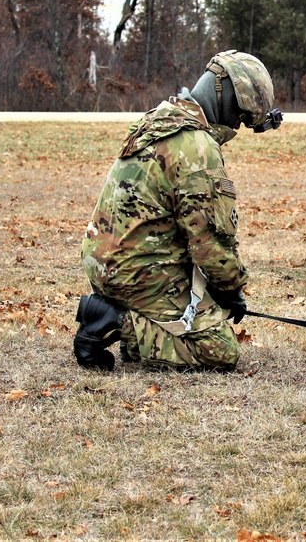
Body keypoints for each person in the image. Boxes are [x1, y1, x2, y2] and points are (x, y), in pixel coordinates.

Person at [75, 50, 281, 371]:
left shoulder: (160, 118)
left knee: (202, 313)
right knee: (219, 350)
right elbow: (210, 240)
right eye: (240, 117)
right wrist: (230, 289)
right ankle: (115, 320)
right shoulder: (196, 147)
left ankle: (126, 317)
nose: (237, 126)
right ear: (228, 99)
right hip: (137, 273)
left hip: (104, 260)